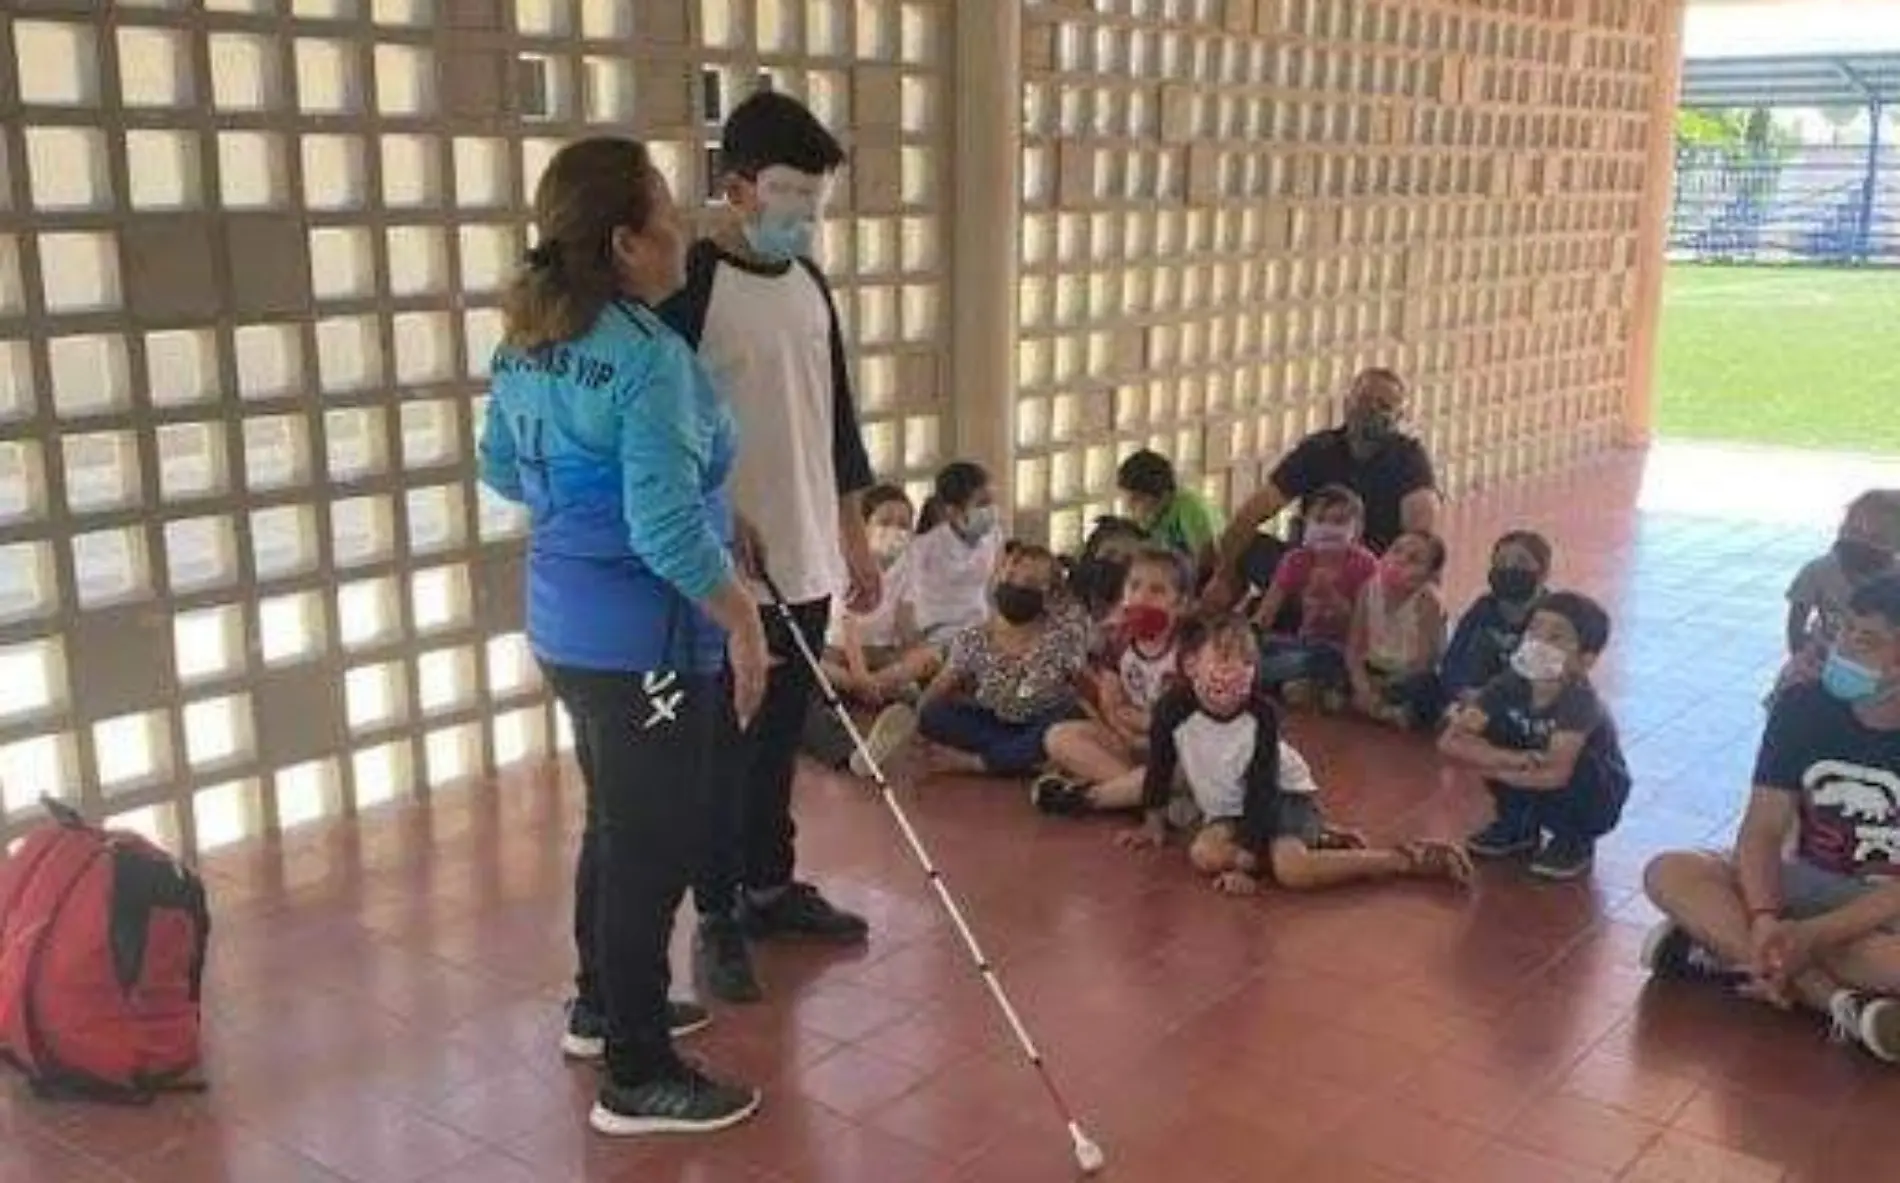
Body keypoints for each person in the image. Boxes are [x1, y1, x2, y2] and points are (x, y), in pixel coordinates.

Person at [478, 137, 763, 1135]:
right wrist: (745, 624)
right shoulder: (648, 359)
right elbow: (664, 530)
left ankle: (605, 1005)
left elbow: (504, 474)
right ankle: (638, 1070)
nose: (683, 228)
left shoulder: (524, 340)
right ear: (626, 243)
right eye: (667, 214)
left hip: (563, 626)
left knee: (616, 821)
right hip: (643, 638)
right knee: (655, 840)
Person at [658, 91, 877, 1004]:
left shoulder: (810, 283)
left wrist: (855, 532)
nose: (804, 218)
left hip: (808, 553)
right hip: (727, 576)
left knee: (780, 736)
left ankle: (769, 885)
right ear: (738, 186)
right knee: (723, 747)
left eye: (816, 203)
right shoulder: (690, 289)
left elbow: (836, 418)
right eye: (791, 197)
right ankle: (715, 915)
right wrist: (714, 518)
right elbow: (660, 435)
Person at [1640, 575, 1900, 1064]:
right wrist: (1765, 917)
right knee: (1669, 871)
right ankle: (1837, 1002)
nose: (1842, 648)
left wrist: (1816, 934)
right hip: (1798, 883)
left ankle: (1718, 949)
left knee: (1877, 955)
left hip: (1880, 906)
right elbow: (1761, 828)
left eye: (1866, 641)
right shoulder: (1803, 706)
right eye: (1842, 630)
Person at [1116, 614, 1471, 895]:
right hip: (1230, 808)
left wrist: (1245, 864)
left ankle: (1401, 860)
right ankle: (1317, 839)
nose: (1235, 671)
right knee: (1204, 855)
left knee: (1291, 872)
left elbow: (1262, 786)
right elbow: (1160, 762)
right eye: (1224, 658)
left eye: (1247, 662)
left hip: (1281, 797)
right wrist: (1153, 820)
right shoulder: (1172, 707)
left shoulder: (1263, 715)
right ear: (1191, 664)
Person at [1204, 367, 1439, 610]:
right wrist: (1222, 575)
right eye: (1364, 400)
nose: (1371, 411)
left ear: (1399, 418)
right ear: (1347, 403)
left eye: (1383, 406)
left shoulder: (1409, 459)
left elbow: (1422, 529)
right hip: (1309, 566)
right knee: (1243, 544)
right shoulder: (1318, 450)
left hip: (1370, 579)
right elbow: (1253, 511)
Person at [1439, 591, 1631, 881]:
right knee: (1496, 730)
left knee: (1583, 764)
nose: (1538, 642)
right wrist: (1510, 758)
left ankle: (1574, 839)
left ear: (1584, 659)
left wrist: (1489, 764)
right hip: (1529, 772)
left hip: (1591, 794)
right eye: (1534, 630)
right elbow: (1452, 741)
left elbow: (1556, 773)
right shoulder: (1507, 686)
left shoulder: (1579, 701)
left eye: (1556, 638)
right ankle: (1517, 824)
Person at [1034, 545, 1193, 815]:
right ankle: (1142, 797)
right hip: (1131, 743)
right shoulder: (1118, 642)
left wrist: (1144, 724)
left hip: (1178, 750)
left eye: (1157, 591)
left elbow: (1185, 723)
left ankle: (1095, 797)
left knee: (1188, 768)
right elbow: (1112, 707)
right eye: (1134, 586)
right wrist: (1132, 728)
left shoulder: (1191, 649)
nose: (1142, 597)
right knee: (1058, 737)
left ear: (1180, 604)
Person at [913, 544, 1089, 777]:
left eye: (1030, 583)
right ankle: (1021, 759)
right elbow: (941, 686)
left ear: (1048, 594)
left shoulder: (1064, 637)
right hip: (994, 722)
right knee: (935, 714)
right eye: (1010, 577)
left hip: (1041, 723)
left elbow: (1084, 689)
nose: (1016, 586)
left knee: (1065, 717)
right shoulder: (973, 638)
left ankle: (981, 762)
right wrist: (915, 722)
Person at [1252, 485, 1379, 710]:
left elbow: (1367, 630)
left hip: (1346, 652)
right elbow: (1264, 616)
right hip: (1303, 642)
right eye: (1320, 520)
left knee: (1316, 659)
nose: (1328, 528)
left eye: (1339, 521)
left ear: (1358, 529)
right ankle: (1304, 685)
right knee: (1268, 647)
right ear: (1306, 524)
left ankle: (1259, 677)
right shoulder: (1296, 560)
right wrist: (1244, 642)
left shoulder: (1366, 565)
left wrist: (1332, 596)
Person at [1775, 491, 1900, 694]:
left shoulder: (1896, 578)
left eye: (1877, 538)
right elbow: (1796, 622)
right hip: (1826, 656)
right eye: (1853, 530)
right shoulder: (1819, 571)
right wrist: (1800, 657)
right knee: (1790, 691)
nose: (1860, 543)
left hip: (1880, 663)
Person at [1347, 530, 1448, 729]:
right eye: (1396, 551)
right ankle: (1383, 710)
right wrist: (1362, 684)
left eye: (1414, 559)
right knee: (1326, 657)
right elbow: (1353, 648)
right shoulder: (1368, 589)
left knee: (1427, 688)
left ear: (1430, 574)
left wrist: (1382, 689)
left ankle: (1382, 709)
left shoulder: (1428, 601)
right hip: (1373, 668)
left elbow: (1424, 662)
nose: (1400, 560)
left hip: (1407, 676)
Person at [1442, 530, 1552, 702]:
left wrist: (1491, 700)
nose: (1509, 568)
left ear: (1543, 573)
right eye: (1501, 562)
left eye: (1521, 562)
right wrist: (1461, 690)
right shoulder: (1483, 607)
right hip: (1471, 695)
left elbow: (1547, 680)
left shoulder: (1554, 615)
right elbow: (1453, 658)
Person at [905, 461, 1005, 643]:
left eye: (992, 502)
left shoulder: (993, 535)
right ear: (953, 511)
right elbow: (907, 601)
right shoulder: (924, 547)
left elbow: (994, 586)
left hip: (981, 627)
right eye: (982, 504)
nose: (991, 510)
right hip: (937, 632)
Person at [1117, 449, 1223, 582]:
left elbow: (1207, 561)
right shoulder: (1149, 516)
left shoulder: (1190, 508)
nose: (1129, 508)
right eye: (1127, 499)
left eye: (1137, 499)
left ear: (1163, 495)